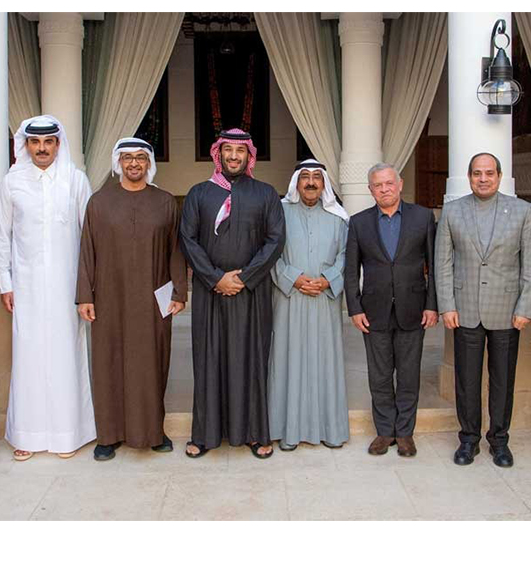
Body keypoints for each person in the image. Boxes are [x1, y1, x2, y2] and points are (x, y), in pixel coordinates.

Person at [76, 138, 188, 461]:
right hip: (108, 297)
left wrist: (179, 292)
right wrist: (85, 295)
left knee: (152, 362)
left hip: (155, 298)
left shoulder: (166, 203)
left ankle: (153, 431)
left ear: (149, 163)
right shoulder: (98, 202)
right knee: (108, 362)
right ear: (118, 163)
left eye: (140, 158)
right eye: (128, 158)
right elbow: (86, 252)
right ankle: (108, 435)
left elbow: (175, 251)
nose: (134, 164)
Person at [0, 115, 96, 461]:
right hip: (27, 288)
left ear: (57, 144)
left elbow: (90, 239)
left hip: (69, 289)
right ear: (25, 145)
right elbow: (2, 236)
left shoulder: (75, 180)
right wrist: (5, 283)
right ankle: (28, 435)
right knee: (29, 359)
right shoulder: (12, 183)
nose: (42, 149)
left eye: (48, 142)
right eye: (35, 143)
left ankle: (70, 435)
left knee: (68, 356)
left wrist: (88, 289)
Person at [178, 129, 285, 459]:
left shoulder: (266, 194)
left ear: (249, 155)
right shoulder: (198, 194)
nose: (234, 156)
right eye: (229, 151)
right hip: (210, 293)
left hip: (252, 294)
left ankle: (255, 433)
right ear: (218, 154)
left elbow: (275, 240)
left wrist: (244, 278)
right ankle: (205, 435)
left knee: (251, 361)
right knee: (208, 362)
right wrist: (214, 278)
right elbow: (188, 240)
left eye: (241, 151)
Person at [435, 153, 531, 468]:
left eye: (489, 173)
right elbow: (443, 263)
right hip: (464, 309)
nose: (483, 178)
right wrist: (446, 306)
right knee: (466, 380)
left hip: (507, 311)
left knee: (502, 380)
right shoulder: (453, 211)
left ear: (499, 175)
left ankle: (499, 441)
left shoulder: (522, 211)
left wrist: (525, 306)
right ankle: (468, 440)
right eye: (477, 173)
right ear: (469, 177)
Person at [344, 163, 438, 458]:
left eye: (388, 183)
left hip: (414, 308)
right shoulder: (359, 223)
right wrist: (354, 307)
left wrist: (432, 305)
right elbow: (350, 270)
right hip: (374, 311)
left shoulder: (423, 217)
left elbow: (435, 266)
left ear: (399, 184)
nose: (384, 189)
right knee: (380, 376)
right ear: (370, 190)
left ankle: (405, 433)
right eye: (377, 185)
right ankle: (385, 431)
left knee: (409, 375)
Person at [269, 159, 350, 451]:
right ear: (296, 183)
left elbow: (347, 255)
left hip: (325, 302)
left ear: (325, 183)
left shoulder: (339, 218)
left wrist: (329, 279)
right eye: (305, 177)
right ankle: (286, 431)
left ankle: (329, 430)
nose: (311, 182)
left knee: (324, 362)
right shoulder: (279, 213)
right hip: (289, 298)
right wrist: (294, 278)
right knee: (287, 360)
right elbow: (270, 253)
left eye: (317, 177)